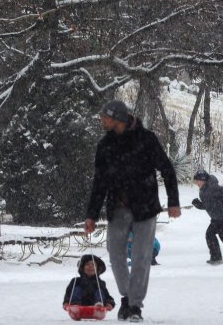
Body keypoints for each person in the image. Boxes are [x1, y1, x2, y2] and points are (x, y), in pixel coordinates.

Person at [84, 100, 181, 322]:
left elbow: (167, 169)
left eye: (104, 118)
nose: (101, 121)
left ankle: (134, 305)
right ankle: (127, 296)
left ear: (117, 118)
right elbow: (99, 183)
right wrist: (91, 215)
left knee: (141, 257)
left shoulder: (146, 139)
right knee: (116, 254)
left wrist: (173, 201)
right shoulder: (105, 145)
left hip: (145, 207)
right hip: (118, 207)